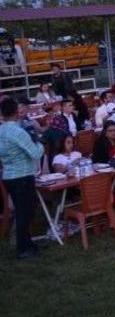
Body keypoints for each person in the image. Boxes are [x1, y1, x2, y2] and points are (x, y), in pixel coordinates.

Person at [1, 97, 45, 260]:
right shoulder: (18, 132)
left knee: (24, 211)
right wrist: (39, 143)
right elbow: (36, 153)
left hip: (9, 175)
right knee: (24, 213)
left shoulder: (1, 130)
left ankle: (28, 244)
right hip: (23, 176)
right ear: (15, 112)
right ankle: (23, 249)